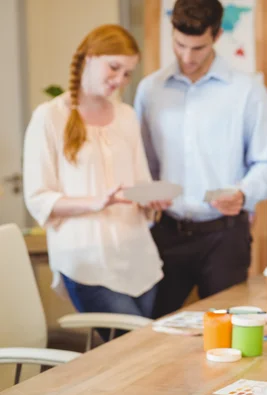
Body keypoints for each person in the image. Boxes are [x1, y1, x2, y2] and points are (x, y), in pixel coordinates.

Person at [134, 0, 267, 319]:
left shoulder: (247, 90)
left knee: (227, 330)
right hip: (167, 233)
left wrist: (243, 193)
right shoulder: (150, 90)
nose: (187, 57)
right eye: (179, 44)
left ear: (216, 36)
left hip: (225, 236)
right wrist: (146, 193)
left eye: (197, 47)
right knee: (155, 332)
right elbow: (142, 165)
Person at [23, 24, 170, 341]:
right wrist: (96, 201)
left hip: (138, 258)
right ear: (89, 58)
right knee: (138, 349)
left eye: (128, 73)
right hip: (86, 260)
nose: (120, 80)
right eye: (114, 67)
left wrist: (152, 199)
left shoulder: (127, 116)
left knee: (134, 362)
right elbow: (38, 197)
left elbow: (140, 182)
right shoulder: (49, 117)